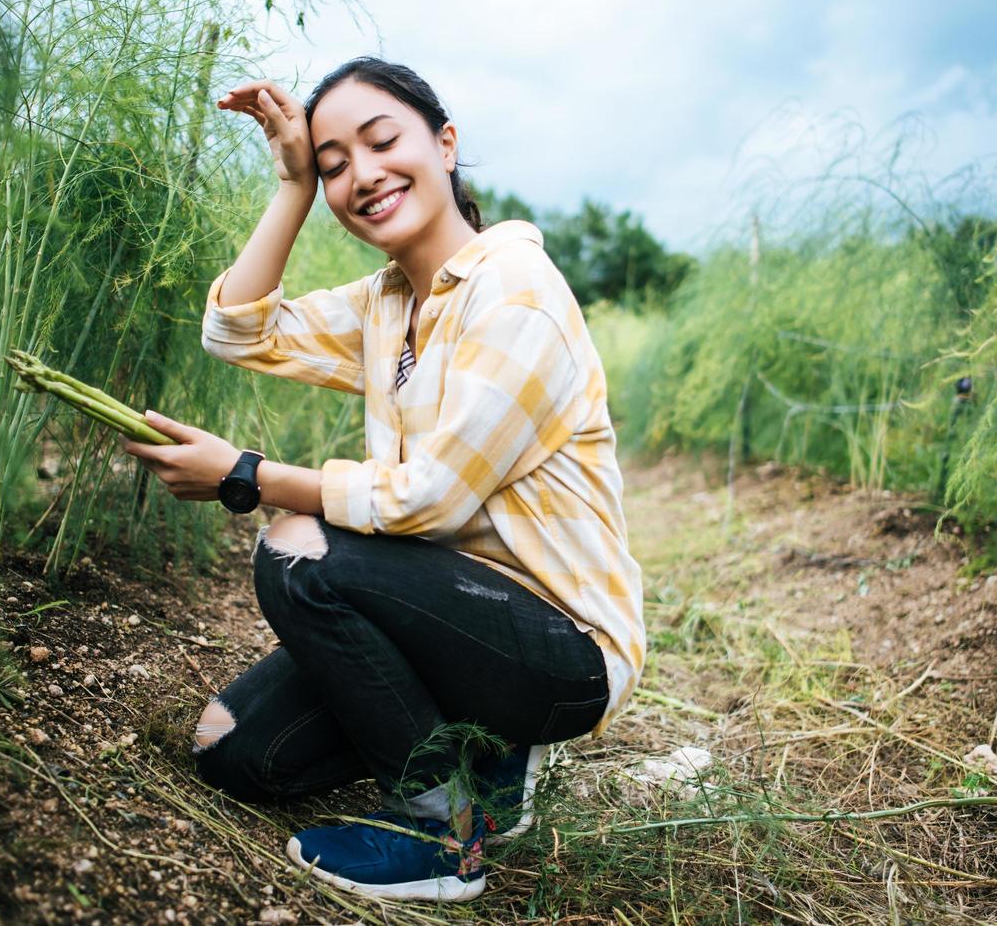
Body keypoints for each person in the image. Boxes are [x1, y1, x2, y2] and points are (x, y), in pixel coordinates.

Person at [122, 56, 644, 903]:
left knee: (298, 547)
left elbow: (427, 498)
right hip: (446, 616)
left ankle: (445, 834)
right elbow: (237, 332)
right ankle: (485, 753)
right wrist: (291, 183)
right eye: (335, 165)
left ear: (443, 143)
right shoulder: (388, 303)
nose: (361, 176)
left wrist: (245, 475)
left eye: (380, 142)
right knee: (232, 751)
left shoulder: (515, 294)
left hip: (558, 650)